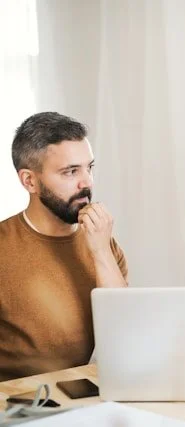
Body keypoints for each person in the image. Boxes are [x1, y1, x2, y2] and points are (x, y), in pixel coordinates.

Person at [0, 112, 128, 381]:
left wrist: (101, 252)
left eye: (89, 168)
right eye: (70, 172)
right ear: (29, 181)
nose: (87, 183)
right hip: (16, 406)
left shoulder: (102, 242)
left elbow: (124, 337)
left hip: (77, 398)